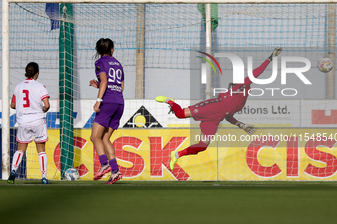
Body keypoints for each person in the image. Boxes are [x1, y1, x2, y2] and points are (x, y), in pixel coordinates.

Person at [155, 47, 283, 170]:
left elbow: (228, 116)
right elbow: (257, 72)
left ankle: (176, 155)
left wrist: (241, 125)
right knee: (180, 114)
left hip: (215, 119)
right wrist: (270, 58)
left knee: (202, 146)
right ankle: (169, 101)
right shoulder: (241, 85)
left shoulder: (241, 102)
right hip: (214, 107)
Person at [7, 62, 50, 184]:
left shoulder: (18, 87)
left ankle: (13, 171)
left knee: (20, 149)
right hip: (37, 121)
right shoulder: (40, 86)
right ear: (37, 73)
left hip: (23, 122)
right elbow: (47, 105)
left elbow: (13, 105)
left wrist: (24, 109)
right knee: (41, 150)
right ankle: (44, 177)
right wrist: (42, 109)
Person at [89, 38, 124, 184]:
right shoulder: (118, 64)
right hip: (119, 103)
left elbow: (104, 81)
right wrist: (100, 86)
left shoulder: (100, 63)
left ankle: (104, 165)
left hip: (107, 102)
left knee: (94, 137)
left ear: (98, 51)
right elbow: (120, 87)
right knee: (105, 138)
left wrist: (99, 100)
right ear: (112, 49)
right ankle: (115, 171)